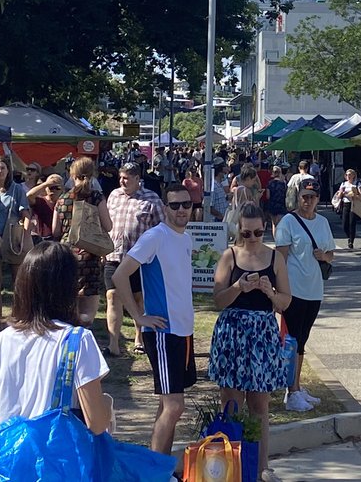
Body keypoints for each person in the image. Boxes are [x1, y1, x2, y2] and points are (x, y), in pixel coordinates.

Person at [0, 242, 111, 482]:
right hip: (60, 469)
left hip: (7, 470)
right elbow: (97, 424)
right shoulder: (78, 342)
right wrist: (107, 409)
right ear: (70, 286)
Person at [209, 204, 292, 482]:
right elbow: (218, 300)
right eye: (247, 232)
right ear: (239, 230)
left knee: (260, 405)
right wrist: (237, 288)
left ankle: (260, 469)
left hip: (262, 334)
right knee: (231, 404)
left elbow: (285, 302)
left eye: (258, 232)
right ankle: (231, 468)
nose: (253, 237)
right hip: (232, 333)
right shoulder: (229, 256)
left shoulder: (275, 258)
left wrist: (270, 293)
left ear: (265, 228)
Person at [113, 183, 195, 455]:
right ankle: (156, 472)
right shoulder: (155, 237)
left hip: (184, 330)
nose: (181, 210)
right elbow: (120, 275)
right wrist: (138, 316)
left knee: (168, 405)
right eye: (175, 205)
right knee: (174, 406)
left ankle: (162, 467)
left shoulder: (185, 238)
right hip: (163, 330)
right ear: (165, 207)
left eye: (186, 204)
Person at [275, 180, 335, 412]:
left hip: (314, 289)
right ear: (298, 198)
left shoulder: (323, 223)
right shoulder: (288, 222)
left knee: (303, 340)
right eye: (304, 197)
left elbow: (331, 254)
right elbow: (280, 258)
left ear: (318, 199)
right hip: (293, 289)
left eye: (312, 197)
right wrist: (279, 291)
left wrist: (324, 257)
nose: (308, 201)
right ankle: (292, 390)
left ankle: (296, 387)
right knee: (293, 340)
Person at [104, 162, 164, 358]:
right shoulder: (113, 196)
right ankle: (113, 343)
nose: (123, 181)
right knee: (112, 297)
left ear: (138, 179)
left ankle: (139, 337)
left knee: (138, 299)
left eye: (127, 178)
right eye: (121, 177)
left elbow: (162, 228)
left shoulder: (151, 199)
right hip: (113, 256)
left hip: (139, 259)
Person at [52, 158, 113, 328]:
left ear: (72, 175)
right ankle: (82, 338)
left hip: (66, 256)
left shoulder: (63, 198)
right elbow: (108, 226)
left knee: (68, 302)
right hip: (89, 255)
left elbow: (55, 231)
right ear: (93, 174)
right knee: (87, 310)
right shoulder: (96, 197)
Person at [0, 156, 32, 324]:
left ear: (8, 170)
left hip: (12, 238)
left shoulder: (17, 190)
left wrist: (24, 239)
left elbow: (26, 215)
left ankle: (18, 316)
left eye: (2, 168)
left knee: (18, 281)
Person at [332, 168, 361, 250]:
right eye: (347, 175)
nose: (348, 176)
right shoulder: (343, 184)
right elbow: (339, 196)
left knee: (352, 223)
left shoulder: (357, 184)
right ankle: (348, 236)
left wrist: (354, 195)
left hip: (354, 204)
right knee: (344, 224)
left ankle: (351, 241)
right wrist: (341, 193)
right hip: (346, 204)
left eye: (350, 175)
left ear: (353, 175)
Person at [265, 165, 288, 235]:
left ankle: (275, 239)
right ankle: (279, 240)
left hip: (272, 204)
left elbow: (267, 196)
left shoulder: (270, 183)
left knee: (274, 224)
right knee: (280, 224)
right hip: (281, 204)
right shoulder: (283, 183)